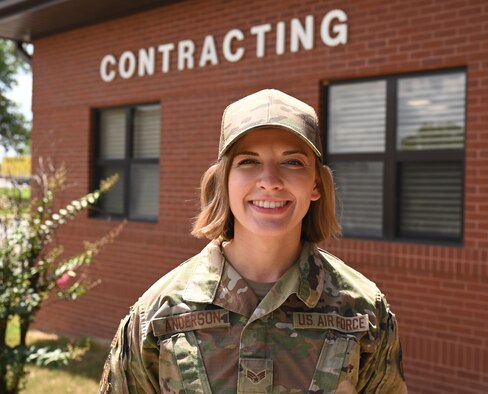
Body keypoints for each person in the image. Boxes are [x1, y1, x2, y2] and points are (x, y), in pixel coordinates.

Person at [98, 89, 407, 393]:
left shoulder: (362, 312)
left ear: (316, 185)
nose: (270, 181)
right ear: (223, 181)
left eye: (293, 162)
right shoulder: (158, 314)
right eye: (248, 162)